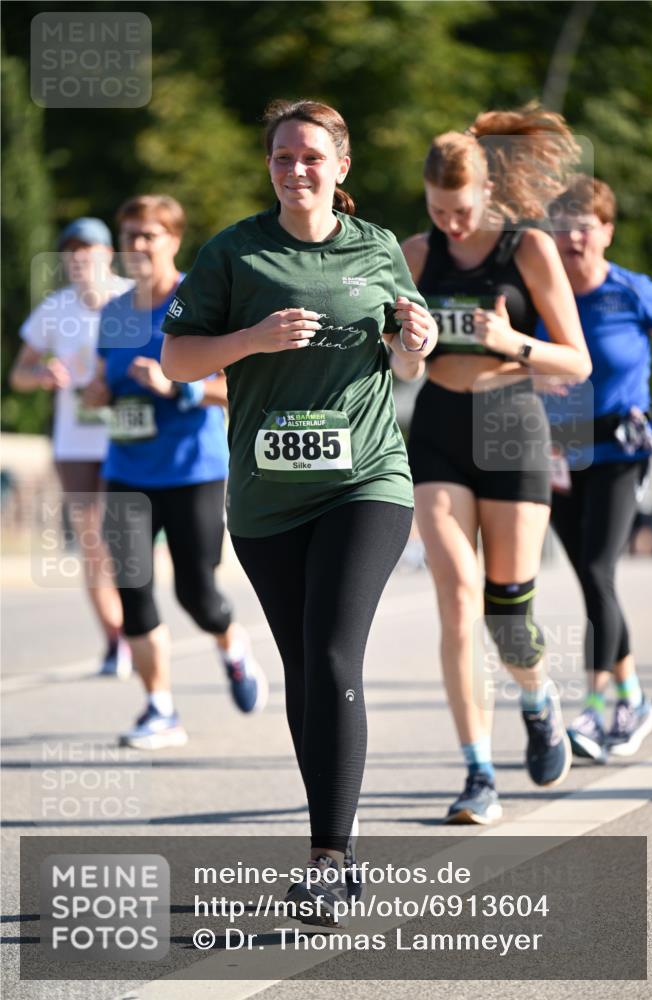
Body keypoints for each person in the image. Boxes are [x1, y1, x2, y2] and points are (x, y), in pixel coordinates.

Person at [161, 99, 436, 924]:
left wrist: (413, 345)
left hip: (366, 481)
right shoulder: (234, 251)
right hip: (267, 499)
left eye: (311, 156)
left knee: (331, 652)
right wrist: (250, 340)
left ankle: (330, 857)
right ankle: (331, 843)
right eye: (282, 156)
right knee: (304, 670)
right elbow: (176, 359)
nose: (296, 170)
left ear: (340, 166)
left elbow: (406, 364)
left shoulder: (377, 248)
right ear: (269, 166)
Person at [395, 106, 592, 825]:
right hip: (439, 428)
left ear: (486, 191)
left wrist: (513, 343)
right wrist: (408, 346)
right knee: (455, 597)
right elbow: (402, 367)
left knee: (506, 613)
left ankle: (538, 700)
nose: (450, 223)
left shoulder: (527, 247)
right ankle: (478, 771)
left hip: (511, 424)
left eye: (461, 209)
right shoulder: (416, 254)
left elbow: (576, 360)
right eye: (437, 210)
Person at [82, 194, 267, 750]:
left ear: (174, 240)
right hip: (127, 468)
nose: (137, 245)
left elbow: (237, 386)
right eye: (130, 235)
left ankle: (231, 643)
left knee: (197, 593)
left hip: (193, 470)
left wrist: (176, 386)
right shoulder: (114, 313)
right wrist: (96, 392)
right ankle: (160, 708)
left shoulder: (200, 298)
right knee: (133, 589)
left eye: (150, 235)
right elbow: (101, 382)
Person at [537, 175, 652, 762]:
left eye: (584, 226)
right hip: (561, 454)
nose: (572, 238)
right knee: (594, 579)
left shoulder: (634, 292)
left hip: (622, 452)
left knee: (596, 569)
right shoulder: (543, 294)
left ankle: (594, 707)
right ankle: (633, 697)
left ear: (607, 232)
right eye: (561, 227)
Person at [10, 218, 133, 679]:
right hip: (76, 443)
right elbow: (18, 374)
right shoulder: (55, 308)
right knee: (92, 542)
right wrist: (41, 374)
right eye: (72, 250)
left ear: (108, 255)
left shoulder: (134, 298)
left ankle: (139, 627)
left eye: (89, 248)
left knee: (125, 542)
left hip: (129, 437)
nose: (79, 257)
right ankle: (116, 640)